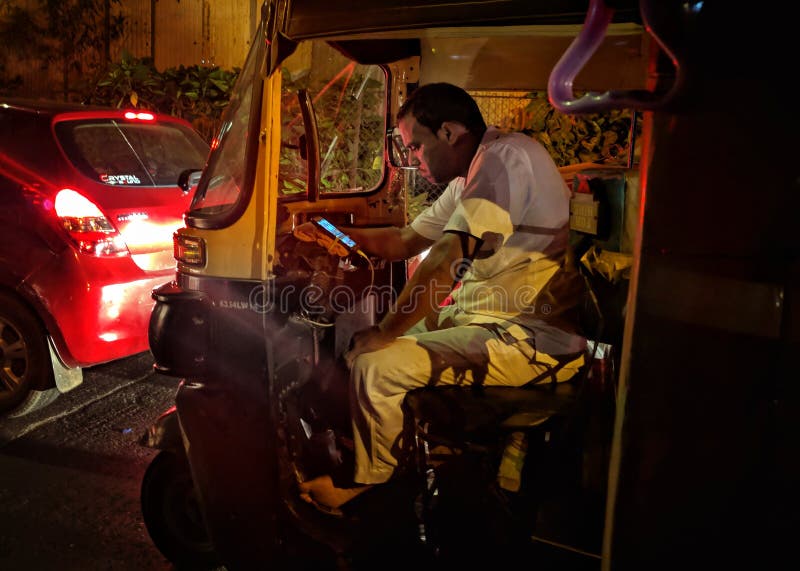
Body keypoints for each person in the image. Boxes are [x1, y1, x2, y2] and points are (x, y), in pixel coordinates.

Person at [295, 82, 586, 512]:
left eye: (416, 147)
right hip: (482, 320)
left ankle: (373, 477)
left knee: (376, 361)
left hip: (527, 337)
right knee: (362, 344)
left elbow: (449, 257)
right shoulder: (471, 177)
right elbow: (405, 239)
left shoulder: (504, 161)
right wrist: (334, 235)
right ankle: (403, 446)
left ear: (449, 132)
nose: (414, 159)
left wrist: (386, 331)